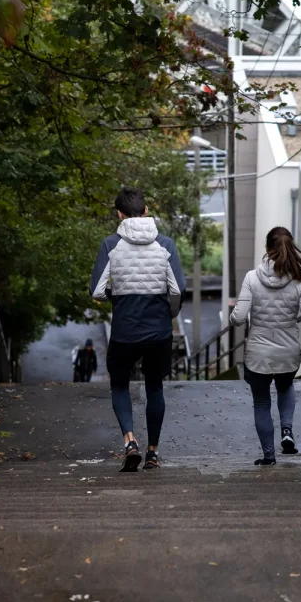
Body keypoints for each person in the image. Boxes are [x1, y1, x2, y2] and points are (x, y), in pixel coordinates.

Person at [90, 185, 186, 471]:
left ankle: (130, 441)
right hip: (158, 330)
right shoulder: (166, 244)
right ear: (146, 211)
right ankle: (153, 453)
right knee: (154, 386)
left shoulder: (110, 244)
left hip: (124, 329)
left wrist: (117, 299)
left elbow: (96, 291)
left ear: (119, 214)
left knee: (119, 384)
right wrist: (169, 312)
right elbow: (178, 288)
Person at [230, 226, 301, 463]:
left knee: (261, 402)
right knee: (286, 386)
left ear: (268, 248)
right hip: (288, 351)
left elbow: (238, 318)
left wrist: (234, 316)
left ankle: (269, 456)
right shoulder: (300, 280)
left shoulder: (251, 278)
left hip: (258, 353)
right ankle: (287, 431)